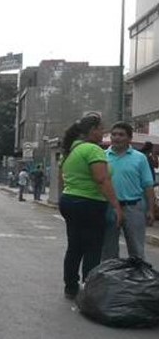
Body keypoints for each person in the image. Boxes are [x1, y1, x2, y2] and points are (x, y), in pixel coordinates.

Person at [58, 113, 123, 300]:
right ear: (92, 130)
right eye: (101, 129)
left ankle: (71, 287)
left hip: (70, 201)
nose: (103, 133)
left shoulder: (71, 151)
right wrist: (116, 206)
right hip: (89, 203)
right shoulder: (93, 150)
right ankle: (89, 288)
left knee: (74, 247)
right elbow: (102, 180)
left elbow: (62, 178)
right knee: (92, 248)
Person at [101, 122, 155, 261]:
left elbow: (148, 185)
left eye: (121, 135)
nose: (117, 137)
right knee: (108, 250)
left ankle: (137, 280)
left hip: (134, 207)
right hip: (110, 208)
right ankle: (111, 280)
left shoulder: (140, 158)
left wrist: (150, 209)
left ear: (129, 138)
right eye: (114, 134)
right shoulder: (102, 157)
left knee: (136, 249)